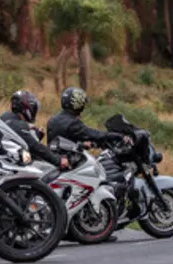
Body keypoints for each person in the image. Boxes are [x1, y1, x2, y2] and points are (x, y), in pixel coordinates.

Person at [46, 87, 130, 242]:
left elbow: (66, 139)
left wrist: (84, 143)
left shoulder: (53, 119)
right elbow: (94, 134)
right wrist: (116, 136)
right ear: (77, 104)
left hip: (55, 160)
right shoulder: (73, 123)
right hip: (72, 163)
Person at [0, 90, 70, 170]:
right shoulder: (18, 124)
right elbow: (36, 147)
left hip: (3, 161)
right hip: (8, 165)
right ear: (26, 109)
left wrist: (37, 135)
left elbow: (20, 140)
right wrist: (58, 160)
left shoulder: (5, 117)